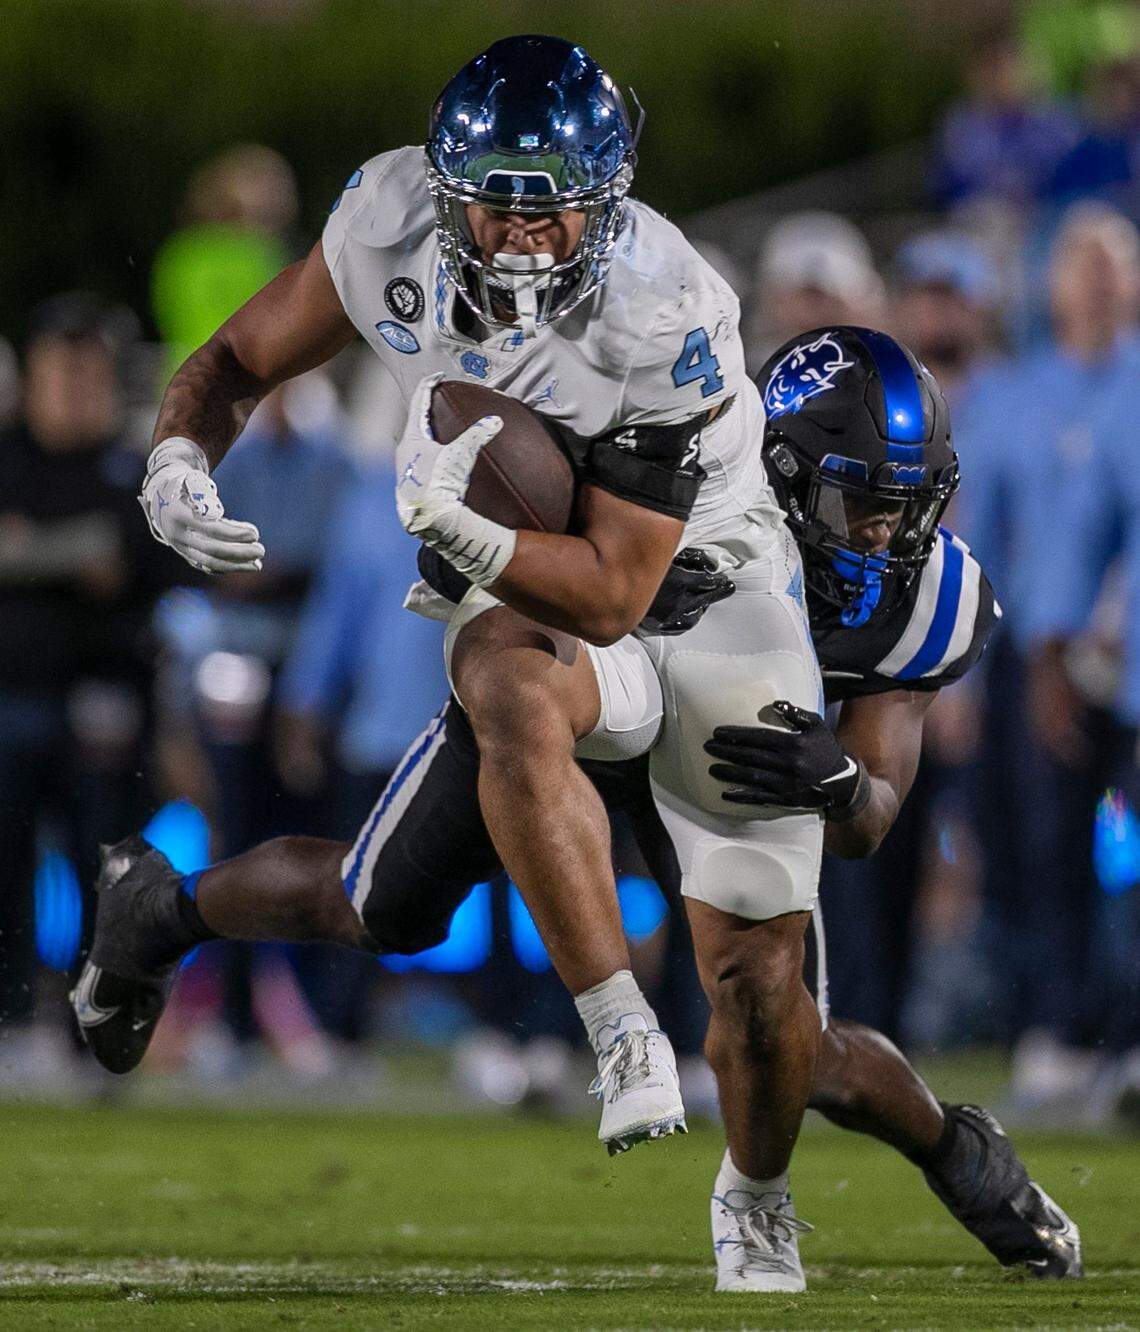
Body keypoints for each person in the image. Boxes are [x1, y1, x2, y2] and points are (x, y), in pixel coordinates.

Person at [75, 326, 1081, 1283]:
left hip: (734, 747)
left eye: (907, 506)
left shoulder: (929, 594)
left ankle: (957, 1151)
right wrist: (493, 555)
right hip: (585, 707)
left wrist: (840, 783)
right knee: (378, 907)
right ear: (773, 475)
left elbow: (872, 819)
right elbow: (507, 536)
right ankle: (159, 909)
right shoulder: (665, 476)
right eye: (858, 504)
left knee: (788, 1041)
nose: (887, 535)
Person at [79, 34, 833, 1293]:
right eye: (501, 206)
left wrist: (468, 530)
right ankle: (612, 1029)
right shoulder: (384, 223)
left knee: (758, 971)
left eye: (558, 214)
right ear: (442, 190)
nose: (528, 240)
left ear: (612, 199)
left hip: (700, 590)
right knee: (403, 872)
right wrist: (175, 457)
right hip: (532, 573)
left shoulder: (667, 303)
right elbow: (235, 362)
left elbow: (621, 589)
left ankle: (755, 1194)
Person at [0, 293, 182, 1070]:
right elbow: (98, 557)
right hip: (11, 694)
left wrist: (35, 553)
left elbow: (153, 563)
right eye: (61, 366)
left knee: (103, 873)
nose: (75, 383)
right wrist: (81, 558)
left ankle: (91, 1029)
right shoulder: (8, 454)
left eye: (89, 368)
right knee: (5, 864)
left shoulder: (137, 466)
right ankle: (11, 1024)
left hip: (105, 701)